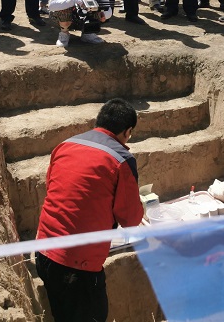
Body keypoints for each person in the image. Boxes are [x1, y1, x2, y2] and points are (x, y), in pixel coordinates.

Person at [35, 98, 143, 322]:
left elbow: (58, 189)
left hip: (43, 253)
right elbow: (131, 219)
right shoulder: (121, 160)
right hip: (76, 268)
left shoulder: (65, 145)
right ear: (128, 131)